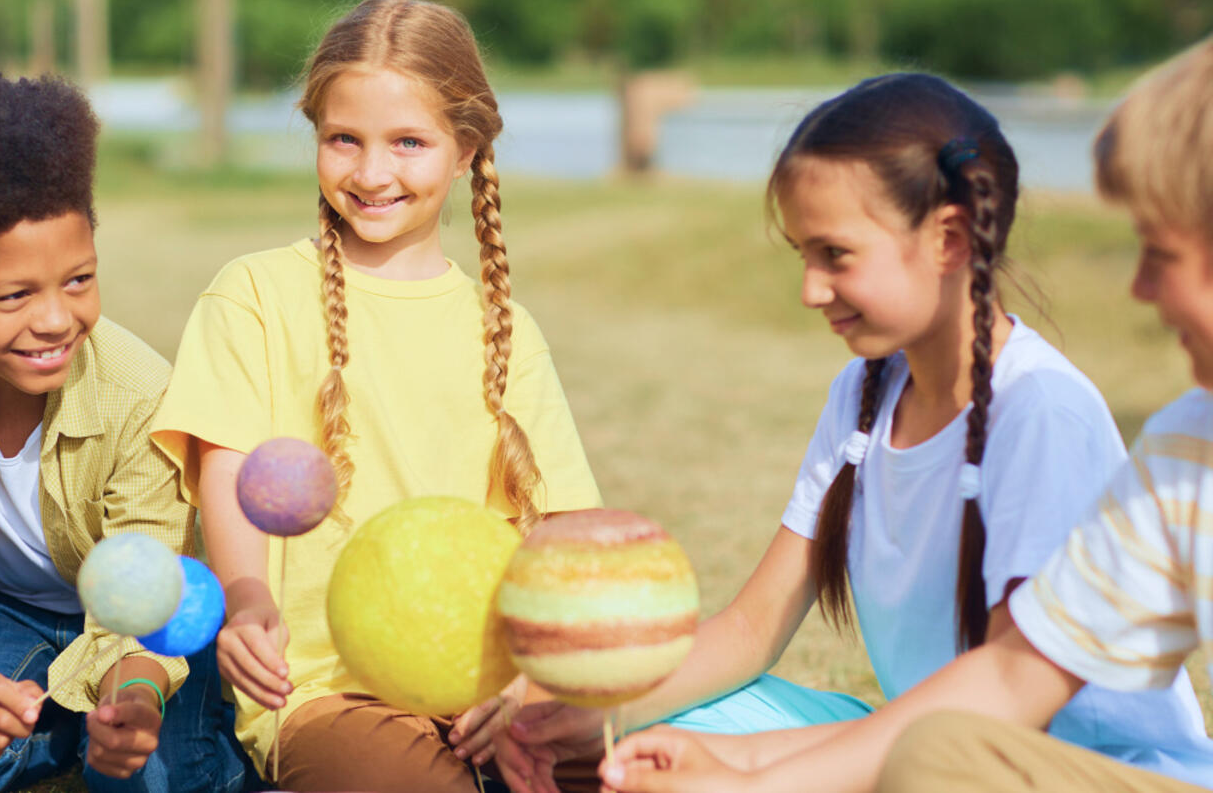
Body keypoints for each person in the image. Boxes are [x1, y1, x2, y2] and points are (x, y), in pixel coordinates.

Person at [505, 72, 1213, 793]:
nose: (811, 290)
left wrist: (750, 776)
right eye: (803, 256)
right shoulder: (864, 395)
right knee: (648, 738)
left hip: (1036, 765)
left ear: (950, 238)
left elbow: (1000, 716)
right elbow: (752, 630)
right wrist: (605, 716)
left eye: (834, 255)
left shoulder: (1041, 413)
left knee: (920, 760)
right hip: (929, 736)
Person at [148, 0, 602, 793]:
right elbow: (227, 466)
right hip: (328, 692)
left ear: (465, 149)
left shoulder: (506, 327)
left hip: (486, 688)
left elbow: (556, 534)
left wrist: (528, 680)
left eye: (408, 143)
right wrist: (248, 600)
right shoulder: (254, 293)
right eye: (343, 140)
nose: (371, 173)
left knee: (654, 758)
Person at [0, 70, 249, 793]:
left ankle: (200, 746)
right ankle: (46, 730)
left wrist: (135, 699)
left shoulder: (141, 390)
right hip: (2, 617)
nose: (57, 319)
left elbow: (152, 595)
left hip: (138, 642)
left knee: (142, 775)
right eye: (13, 296)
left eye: (79, 280)